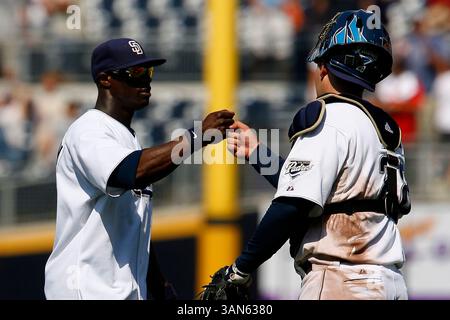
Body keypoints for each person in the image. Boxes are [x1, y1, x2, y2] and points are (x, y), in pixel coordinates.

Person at [225, 10, 411, 299]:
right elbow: (324, 192)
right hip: (390, 283)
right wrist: (257, 153)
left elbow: (292, 204)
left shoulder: (327, 115)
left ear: (323, 67)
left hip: (342, 279)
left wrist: (240, 269)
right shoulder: (384, 127)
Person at [44, 38, 235, 300]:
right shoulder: (88, 130)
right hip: (84, 289)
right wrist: (198, 136)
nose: (146, 80)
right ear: (105, 79)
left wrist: (162, 290)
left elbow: (133, 225)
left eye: (149, 71)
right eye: (135, 72)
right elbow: (128, 172)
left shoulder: (128, 139)